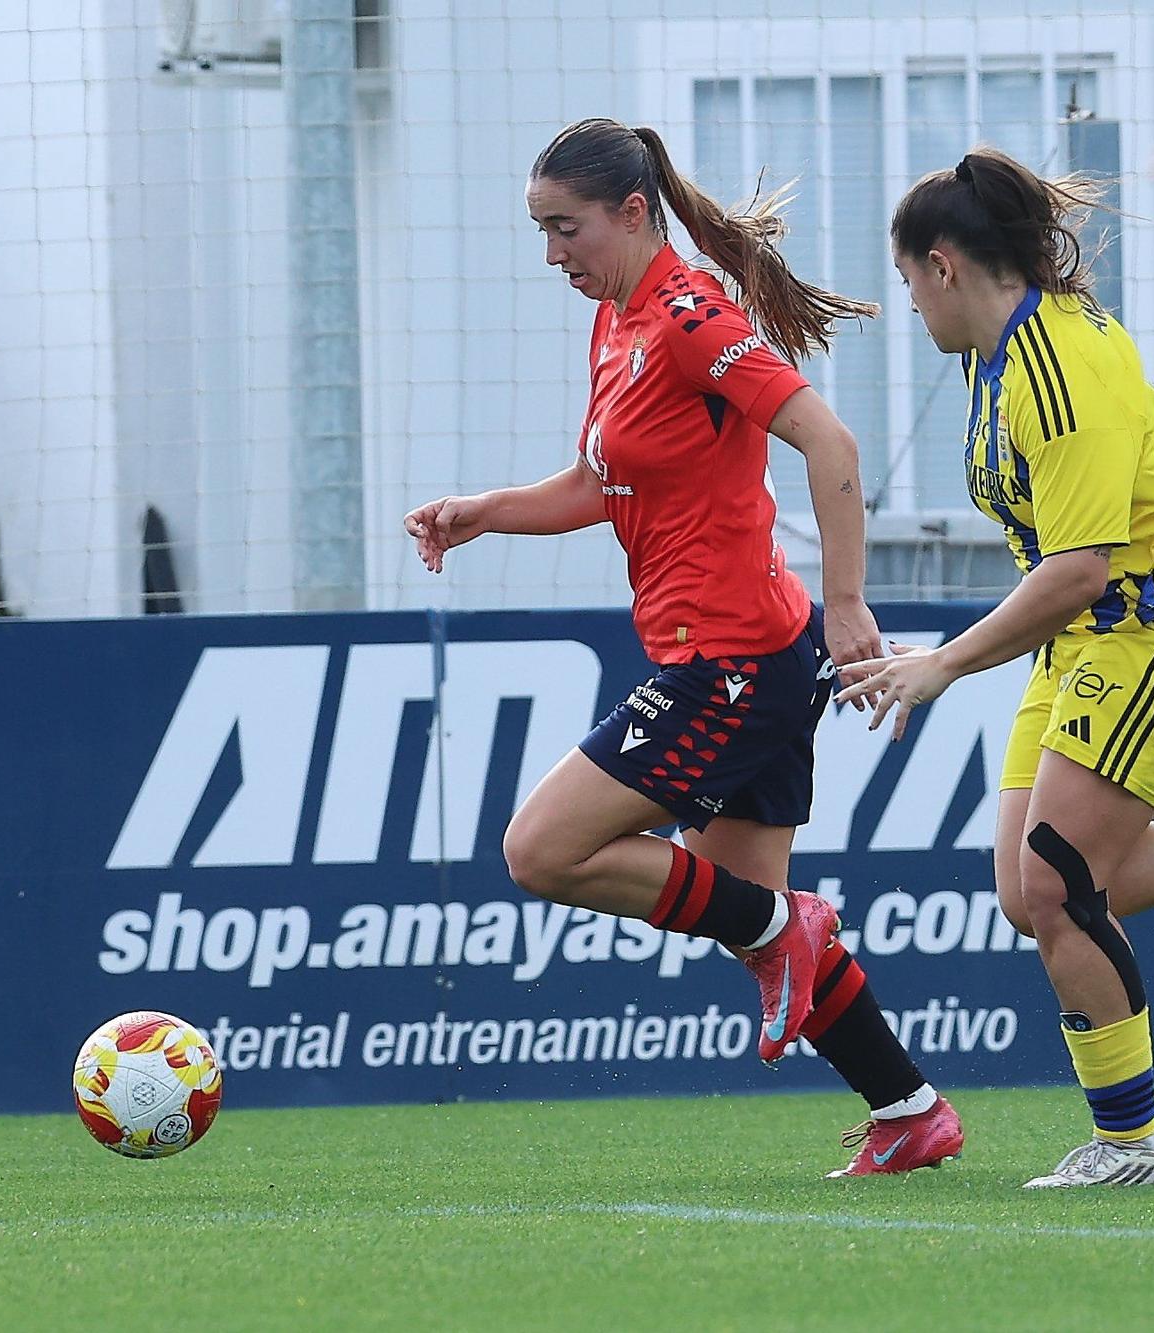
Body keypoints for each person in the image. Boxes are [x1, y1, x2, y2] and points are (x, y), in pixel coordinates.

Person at [404, 116, 963, 1177]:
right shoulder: (615, 322)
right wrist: (486, 509)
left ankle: (783, 932)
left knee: (541, 850)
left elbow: (826, 439)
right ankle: (908, 1109)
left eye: (564, 229)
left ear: (628, 212)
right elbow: (596, 482)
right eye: (540, 232)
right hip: (747, 655)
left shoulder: (688, 315)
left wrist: (848, 602)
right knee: (751, 919)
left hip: (733, 662)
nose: (551, 255)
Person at [839, 146, 1154, 1188]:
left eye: (903, 284)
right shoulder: (999, 351)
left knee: (1060, 880)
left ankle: (1129, 1146)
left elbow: (1073, 570)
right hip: (1087, 631)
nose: (909, 310)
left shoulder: (1055, 368)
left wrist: (942, 666)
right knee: (1033, 892)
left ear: (941, 267)